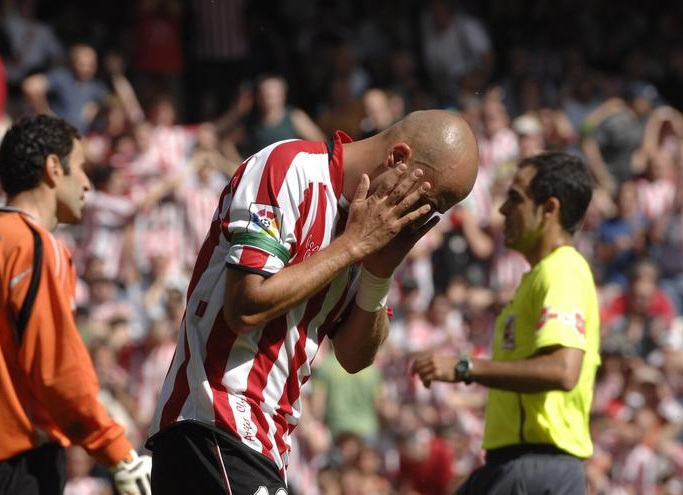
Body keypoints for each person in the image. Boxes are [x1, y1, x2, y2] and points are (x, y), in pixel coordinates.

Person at [148, 109, 480, 494]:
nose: (419, 219)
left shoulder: (371, 226)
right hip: (215, 420)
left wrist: (378, 273)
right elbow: (245, 306)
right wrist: (352, 246)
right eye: (426, 200)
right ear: (398, 158)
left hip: (265, 440)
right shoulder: (290, 169)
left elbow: (355, 357)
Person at [0, 115, 150, 495]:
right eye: (82, 167)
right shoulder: (34, 246)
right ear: (54, 168)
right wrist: (118, 451)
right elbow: (57, 366)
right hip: (17, 462)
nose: (87, 182)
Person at [412, 152, 599, 494]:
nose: (501, 210)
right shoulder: (537, 277)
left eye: (516, 198)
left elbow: (562, 370)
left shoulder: (563, 271)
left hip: (537, 468)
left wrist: (466, 368)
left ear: (550, 209)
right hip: (515, 465)